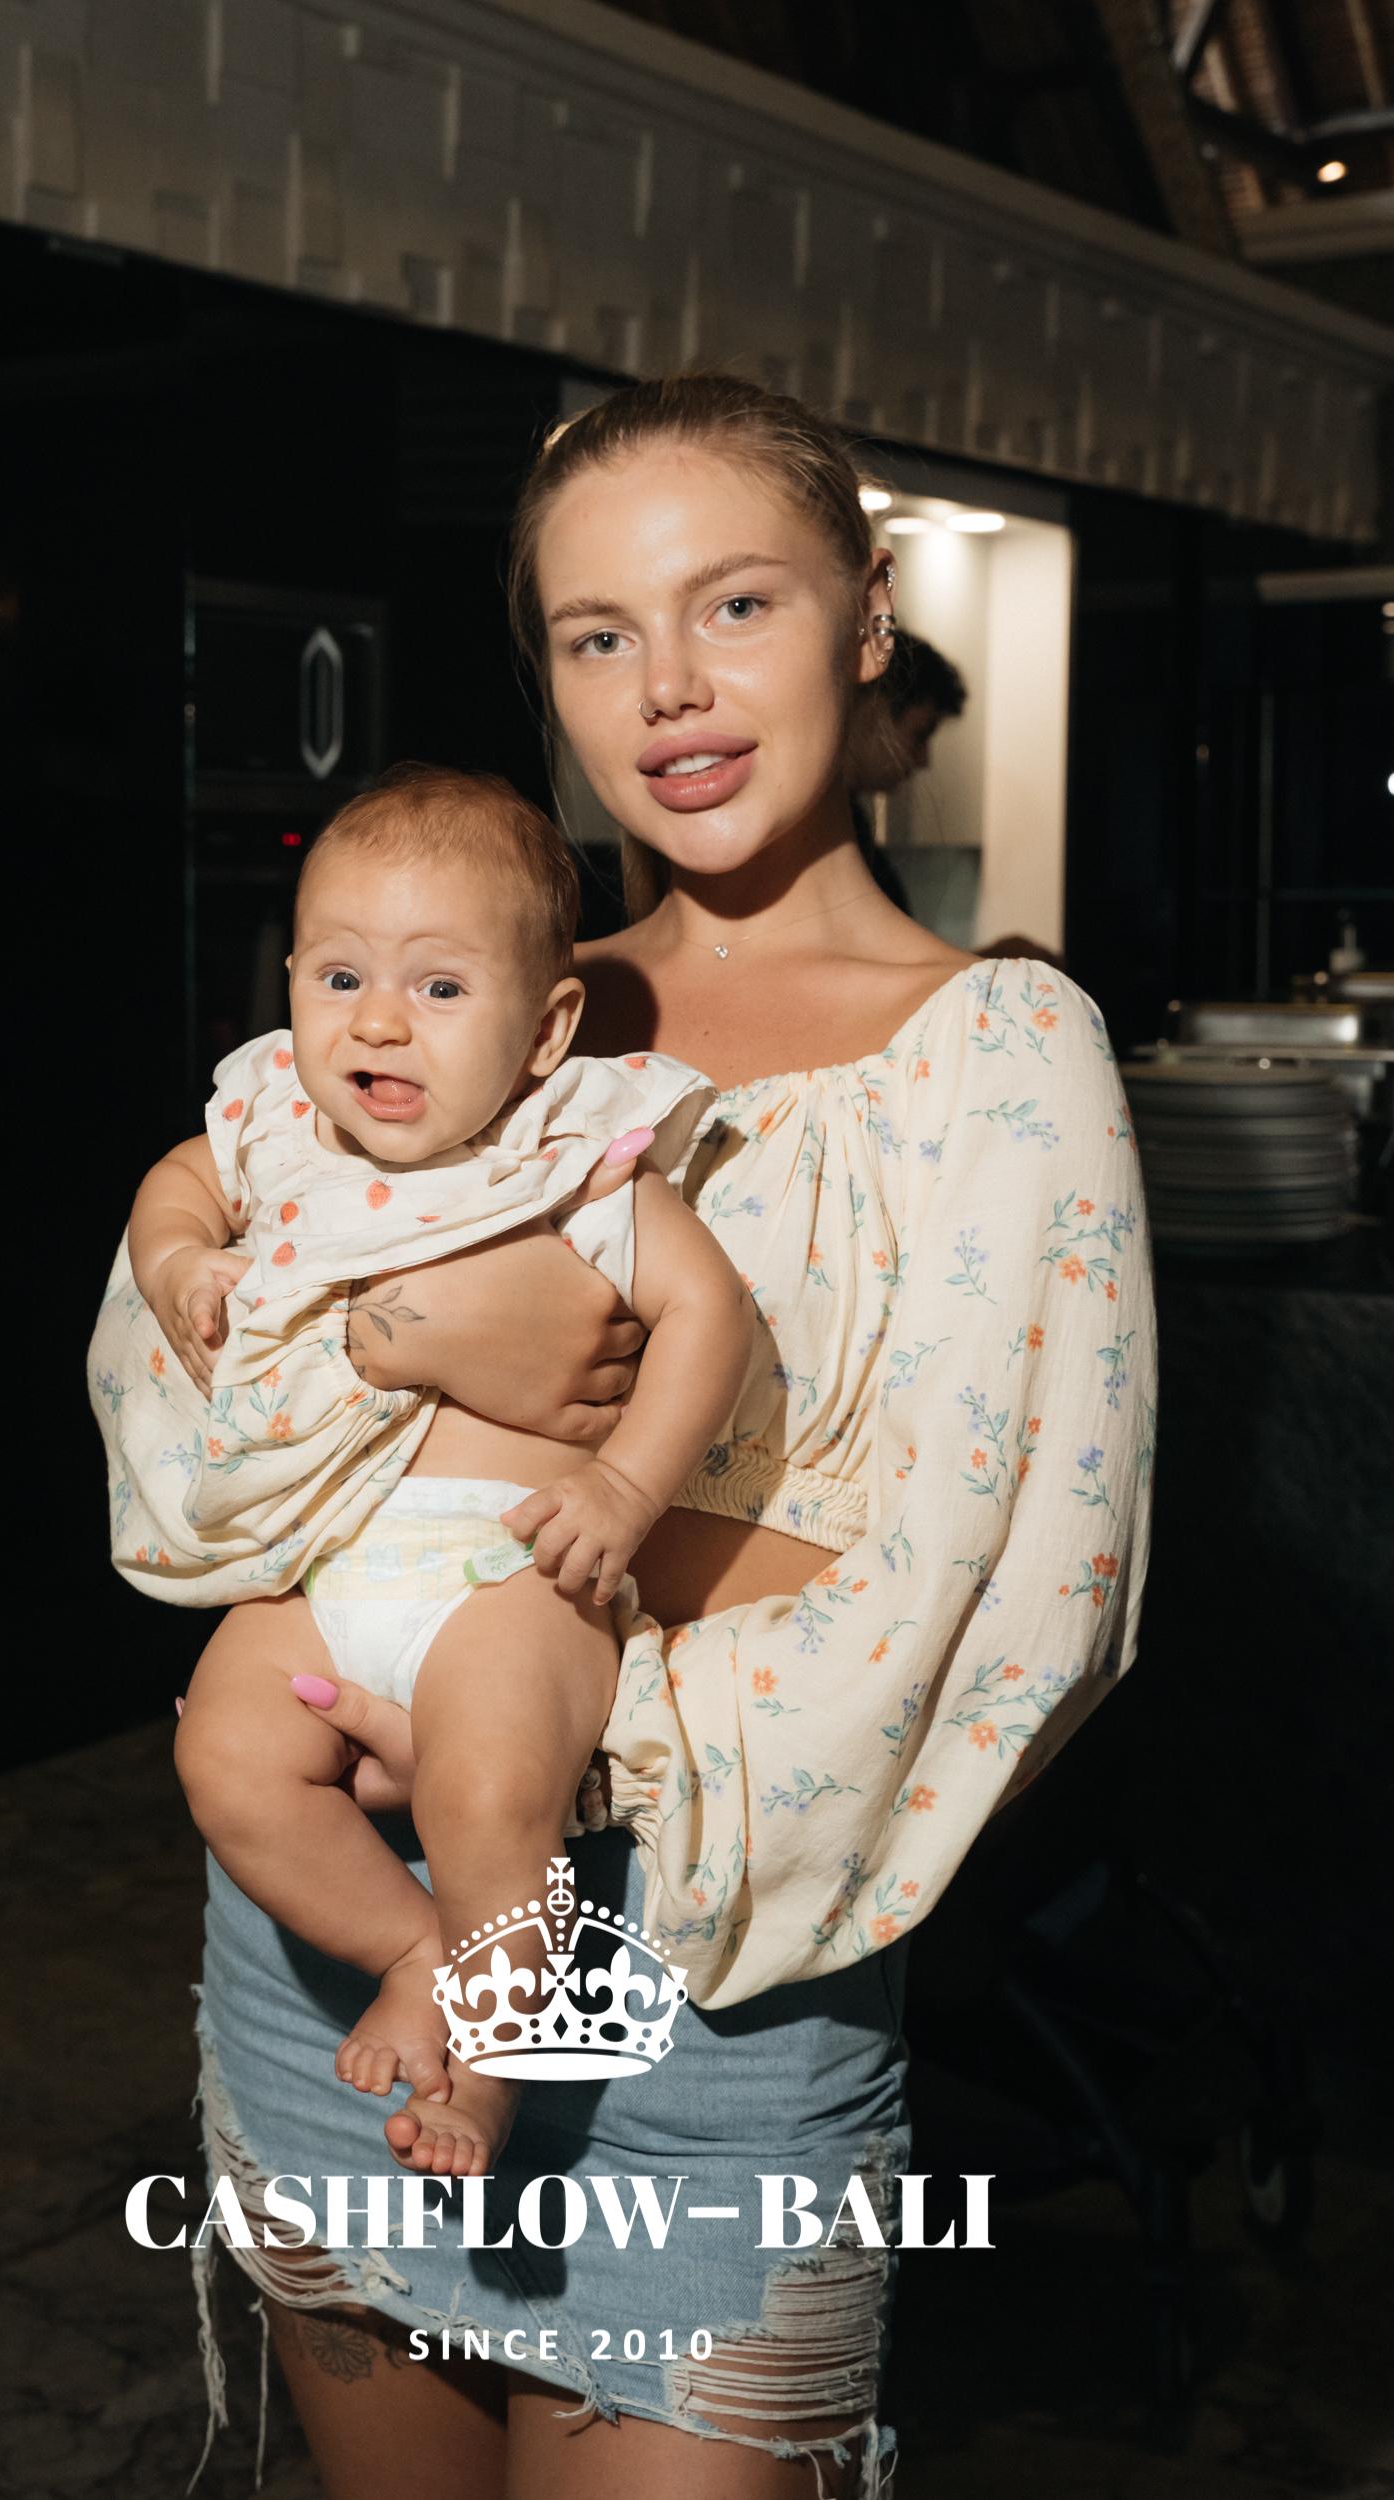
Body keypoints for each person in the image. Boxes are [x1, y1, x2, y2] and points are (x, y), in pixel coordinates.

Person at [177, 374, 1157, 2500]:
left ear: (865, 615)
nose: (671, 690)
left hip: (712, 1994)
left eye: (736, 604)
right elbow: (183, 1428)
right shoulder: (461, 989)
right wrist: (409, 1341)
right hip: (334, 1962)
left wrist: (503, 1664)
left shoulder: (998, 1051)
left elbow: (1008, 1602)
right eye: (597, 632)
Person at [91, 764, 752, 2178]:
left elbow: (710, 1315)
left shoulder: (569, 1158)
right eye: (338, 977)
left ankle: (499, 2062)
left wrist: (625, 1488)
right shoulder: (273, 1124)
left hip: (508, 1572)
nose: (377, 1021)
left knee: (488, 1789)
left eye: (439, 987)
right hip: (327, 1565)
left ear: (544, 1026)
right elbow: (174, 1185)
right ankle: (414, 1950)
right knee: (225, 1755)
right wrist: (180, 1257)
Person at [845, 630, 967, 915]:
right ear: (873, 710)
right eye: (920, 734)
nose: (924, 760)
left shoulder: (850, 827)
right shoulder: (825, 836)